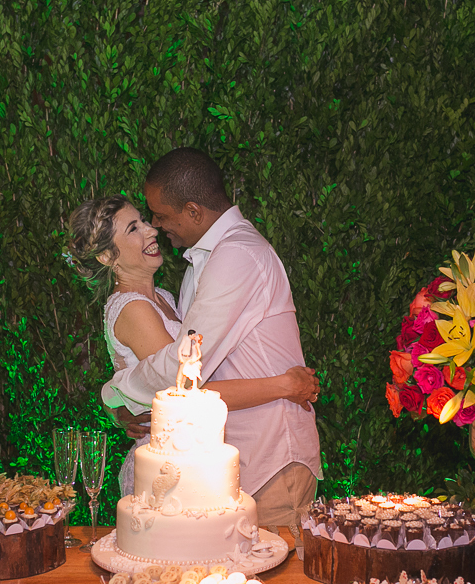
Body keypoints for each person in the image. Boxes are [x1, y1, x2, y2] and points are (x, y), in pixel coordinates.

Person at [99, 148, 322, 549]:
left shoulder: (236, 256)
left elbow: (181, 368)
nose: (155, 225)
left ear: (193, 211)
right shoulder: (203, 261)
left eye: (161, 215)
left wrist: (116, 391)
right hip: (228, 467)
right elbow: (194, 379)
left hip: (269, 459)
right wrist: (131, 407)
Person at [65, 193, 318, 499]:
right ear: (107, 256)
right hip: (167, 469)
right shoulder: (133, 309)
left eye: (143, 220)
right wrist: (285, 385)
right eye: (133, 228)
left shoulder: (164, 298)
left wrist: (116, 400)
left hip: (192, 459)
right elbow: (187, 393)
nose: (151, 230)